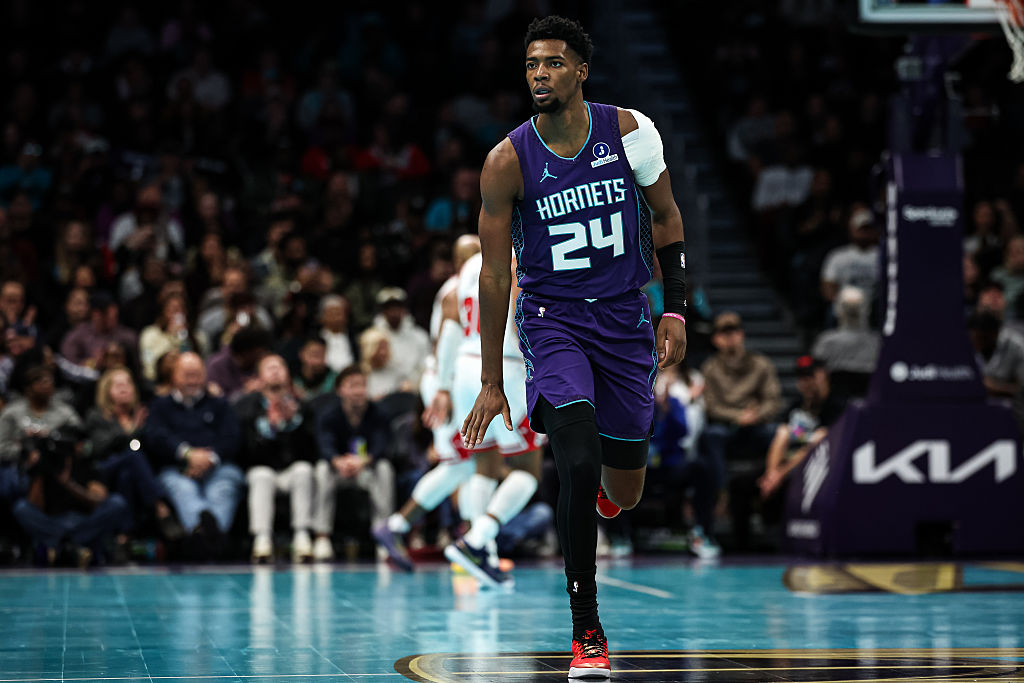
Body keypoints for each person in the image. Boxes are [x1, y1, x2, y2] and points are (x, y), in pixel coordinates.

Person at [459, 16, 688, 679]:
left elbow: (667, 216)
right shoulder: (506, 161)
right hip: (552, 321)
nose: (540, 74)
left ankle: (610, 496)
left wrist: (674, 306)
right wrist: (491, 379)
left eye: (554, 63)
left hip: (624, 319)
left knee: (626, 490)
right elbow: (494, 274)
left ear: (581, 71)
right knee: (578, 462)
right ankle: (587, 629)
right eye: (532, 64)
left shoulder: (630, 132)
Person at [374, 248, 547, 583]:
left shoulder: (467, 270)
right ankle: (475, 540)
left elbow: (451, 326)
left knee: (480, 463)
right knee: (524, 469)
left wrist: (444, 385)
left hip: (464, 368)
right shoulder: (515, 257)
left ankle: (479, 549)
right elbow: (518, 312)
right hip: (500, 368)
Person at [144, 352, 243, 559]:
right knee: (183, 489)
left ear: (205, 376)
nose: (192, 381)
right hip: (178, 468)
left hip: (218, 467)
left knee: (224, 487)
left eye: (196, 375)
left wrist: (210, 458)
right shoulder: (160, 406)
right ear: (174, 376)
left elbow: (232, 437)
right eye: (187, 375)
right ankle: (209, 532)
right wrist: (187, 454)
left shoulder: (219, 404)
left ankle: (204, 533)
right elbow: (155, 437)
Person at [235, 355, 316, 563]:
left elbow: (311, 452)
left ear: (288, 375)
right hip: (261, 469)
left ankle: (302, 535)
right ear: (259, 378)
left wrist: (292, 424)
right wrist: (270, 429)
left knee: (304, 471)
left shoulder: (303, 406)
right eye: (269, 368)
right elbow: (245, 452)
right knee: (261, 476)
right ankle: (262, 539)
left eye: (280, 367)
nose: (275, 371)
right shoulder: (247, 407)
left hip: (291, 470)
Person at [313, 365, 395, 561]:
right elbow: (325, 445)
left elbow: (382, 445)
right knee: (322, 469)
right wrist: (338, 461)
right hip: (339, 471)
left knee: (385, 469)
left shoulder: (378, 413)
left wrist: (363, 461)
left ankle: (383, 536)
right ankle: (322, 537)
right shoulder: (329, 415)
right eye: (352, 386)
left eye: (362, 385)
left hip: (366, 470)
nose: (358, 391)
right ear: (340, 389)